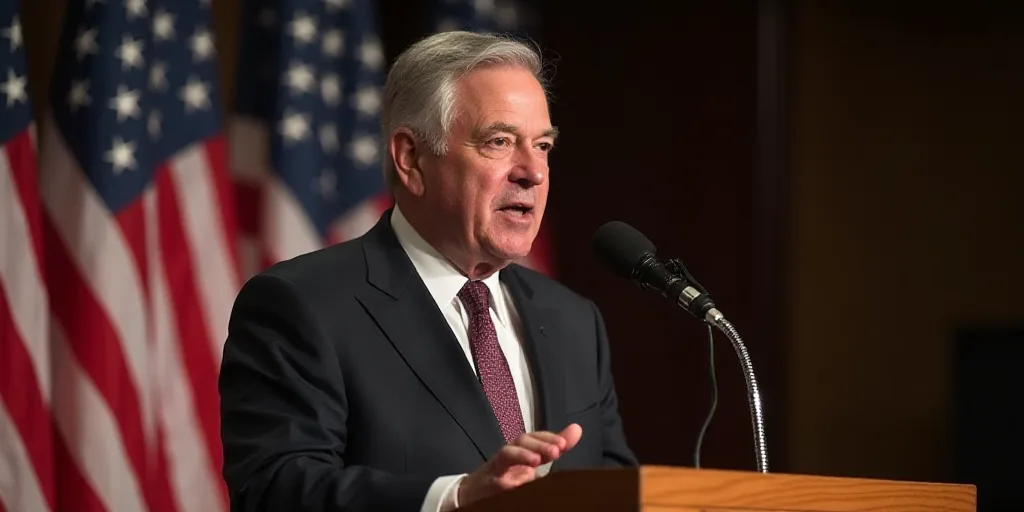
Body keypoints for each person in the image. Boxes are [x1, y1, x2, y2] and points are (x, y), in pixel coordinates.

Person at [218, 30, 637, 511]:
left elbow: (616, 490)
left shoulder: (574, 321)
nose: (533, 172)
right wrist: (453, 497)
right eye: (499, 141)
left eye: (542, 145)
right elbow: (274, 491)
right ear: (411, 158)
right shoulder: (301, 305)